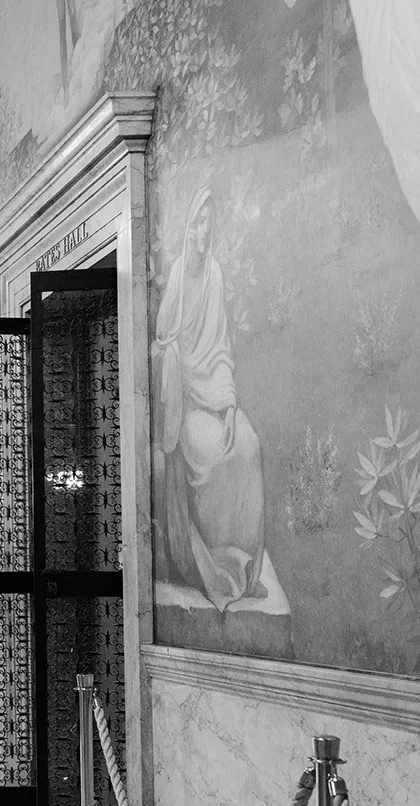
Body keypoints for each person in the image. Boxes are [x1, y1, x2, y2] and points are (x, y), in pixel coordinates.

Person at [154, 186, 267, 609]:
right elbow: (163, 337)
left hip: (216, 396)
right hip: (188, 405)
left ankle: (247, 564)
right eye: (198, 222)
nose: (203, 230)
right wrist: (172, 354)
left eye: (209, 222)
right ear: (189, 227)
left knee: (249, 447)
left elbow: (220, 348)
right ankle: (219, 559)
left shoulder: (216, 274)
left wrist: (231, 407)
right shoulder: (181, 276)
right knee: (217, 457)